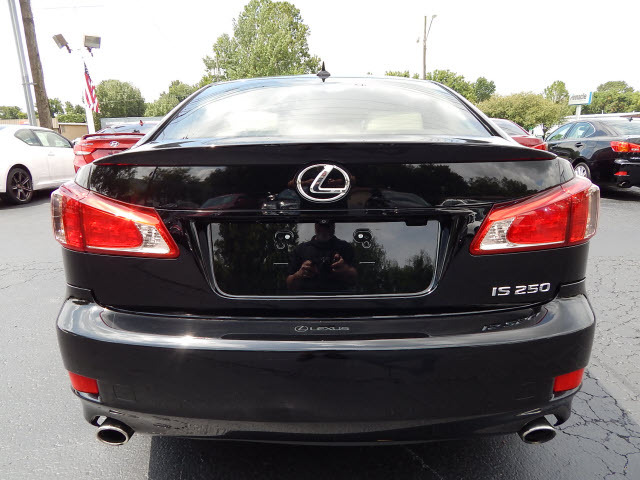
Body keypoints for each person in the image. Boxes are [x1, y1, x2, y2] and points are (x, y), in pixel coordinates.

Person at [286, 221, 357, 292]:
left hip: (341, 297)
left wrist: (345, 270)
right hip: (309, 298)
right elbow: (289, 285)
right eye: (321, 225)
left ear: (334, 225)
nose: (324, 229)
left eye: (327, 225)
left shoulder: (345, 248)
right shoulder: (300, 249)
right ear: (315, 225)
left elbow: (358, 279)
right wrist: (300, 274)